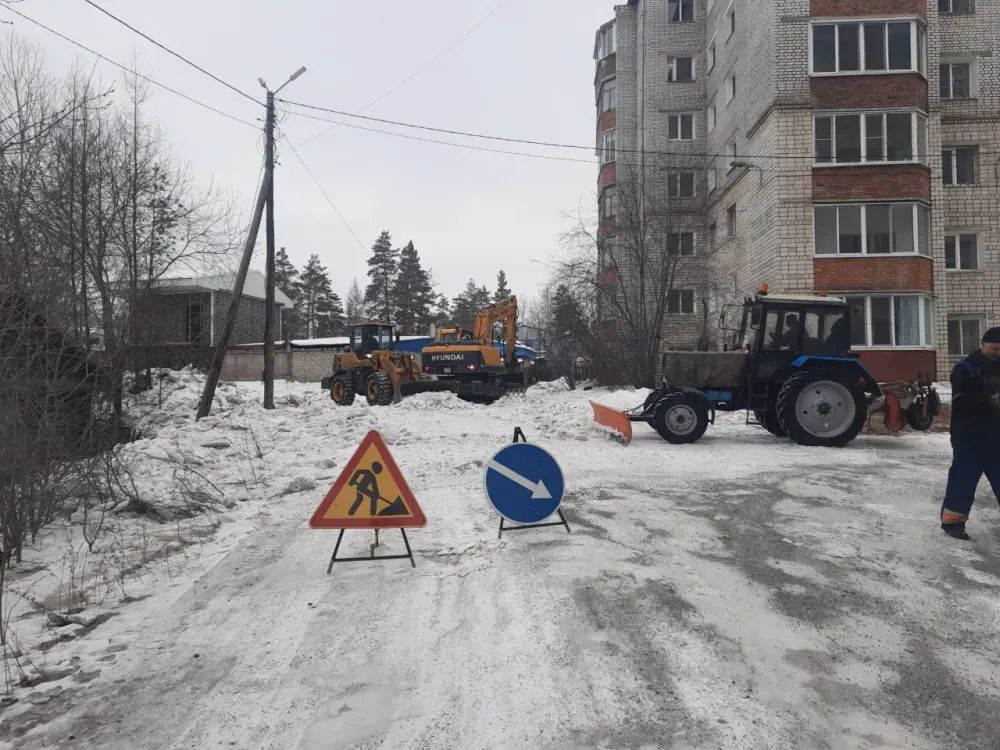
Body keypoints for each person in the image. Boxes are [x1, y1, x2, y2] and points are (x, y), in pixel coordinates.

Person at [940, 327, 1000, 540]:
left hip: (996, 436)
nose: (997, 353)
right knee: (963, 479)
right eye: (994, 348)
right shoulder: (965, 368)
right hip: (969, 435)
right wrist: (987, 399)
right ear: (983, 345)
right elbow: (960, 400)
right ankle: (953, 523)